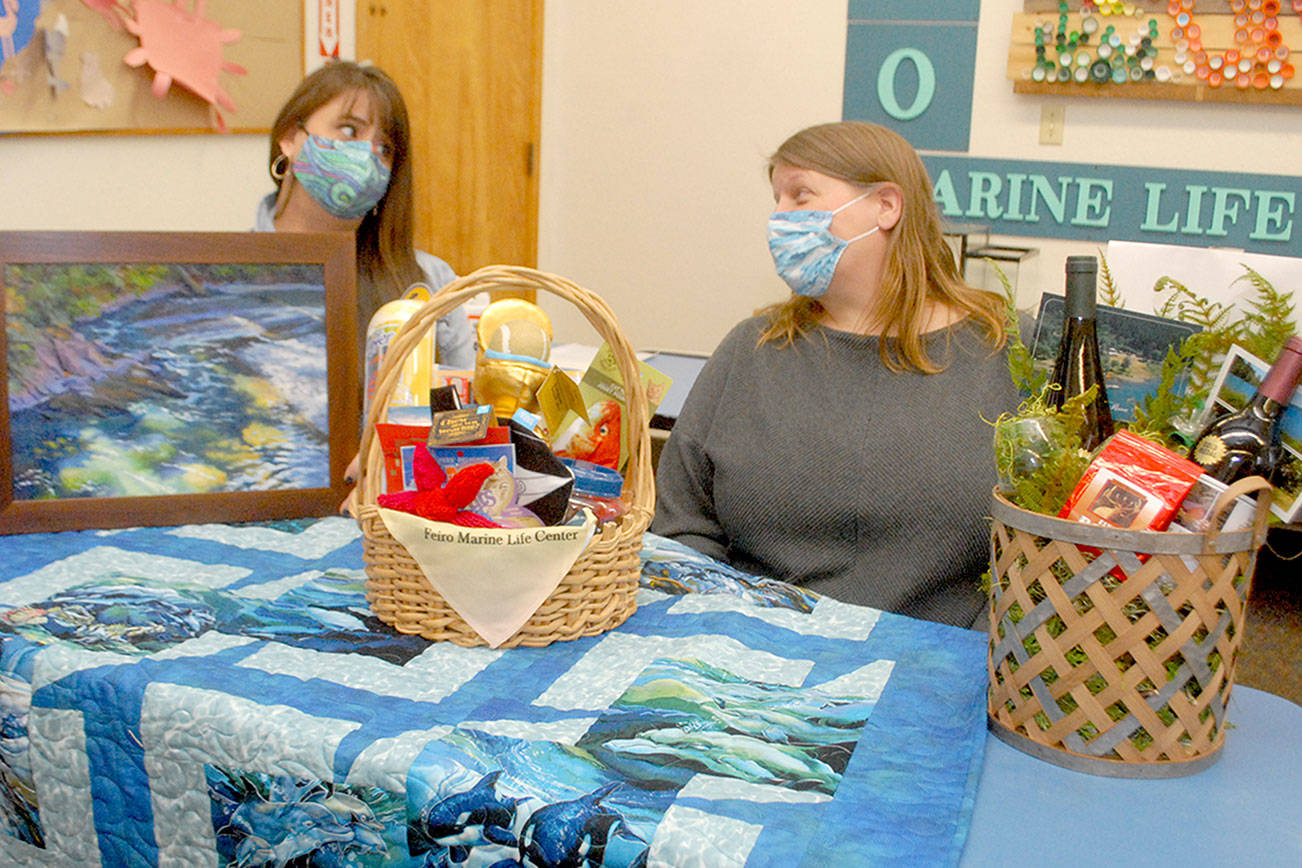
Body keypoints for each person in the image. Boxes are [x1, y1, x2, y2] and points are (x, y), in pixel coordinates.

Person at [650, 121, 1019, 628]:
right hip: (751, 660)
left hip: (942, 670)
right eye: (776, 198)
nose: (779, 218)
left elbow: (1039, 554)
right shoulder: (751, 350)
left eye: (801, 195)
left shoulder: (998, 353)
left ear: (886, 205)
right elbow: (681, 523)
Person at [257, 60, 475, 370]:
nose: (367, 156)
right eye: (349, 130)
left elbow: (461, 409)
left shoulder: (429, 283)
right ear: (291, 138)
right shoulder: (226, 271)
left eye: (384, 148)